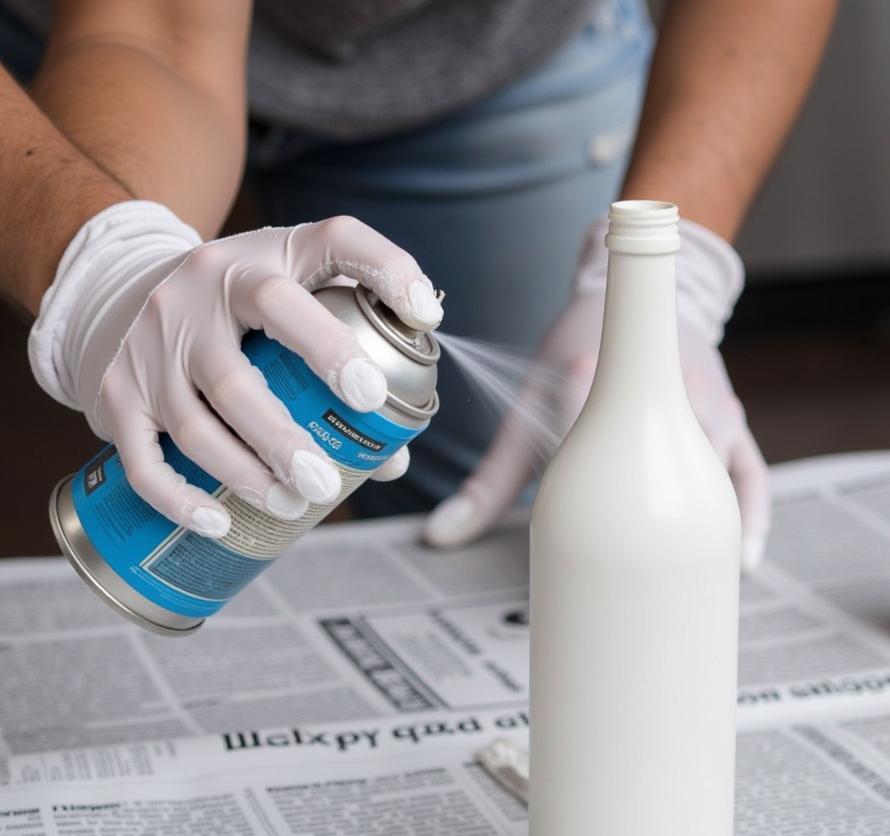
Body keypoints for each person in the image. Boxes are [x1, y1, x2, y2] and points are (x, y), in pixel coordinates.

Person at [0, 0, 836, 570]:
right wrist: (108, 264)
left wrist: (678, 271)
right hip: (133, 31)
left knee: (524, 522)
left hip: (486, 49)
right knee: (161, 424)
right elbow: (157, 27)